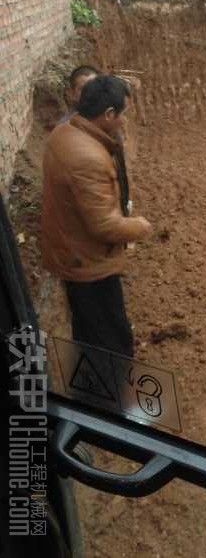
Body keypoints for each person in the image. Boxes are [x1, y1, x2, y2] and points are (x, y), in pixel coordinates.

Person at [41, 75, 152, 360]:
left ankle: (94, 385)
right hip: (88, 264)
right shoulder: (88, 158)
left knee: (89, 330)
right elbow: (103, 225)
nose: (124, 122)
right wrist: (138, 227)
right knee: (111, 339)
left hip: (72, 251)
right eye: (122, 114)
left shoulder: (64, 133)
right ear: (108, 114)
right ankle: (106, 398)